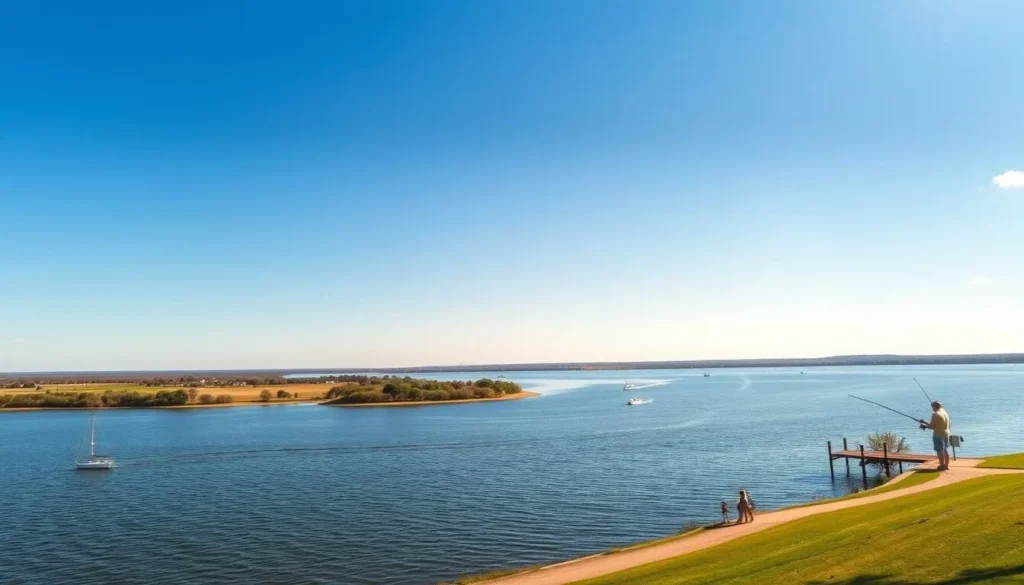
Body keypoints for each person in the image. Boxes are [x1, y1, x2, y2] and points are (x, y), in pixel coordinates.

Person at [919, 401, 952, 471]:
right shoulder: (944, 412)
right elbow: (935, 424)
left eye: (933, 406)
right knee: (945, 450)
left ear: (936, 406)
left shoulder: (935, 414)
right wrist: (924, 422)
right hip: (946, 433)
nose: (932, 408)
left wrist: (924, 426)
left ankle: (942, 466)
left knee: (940, 450)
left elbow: (932, 426)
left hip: (938, 435)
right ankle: (946, 466)